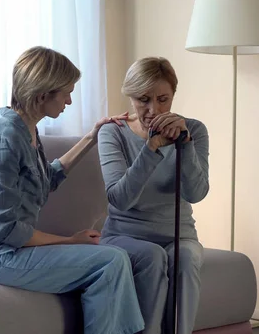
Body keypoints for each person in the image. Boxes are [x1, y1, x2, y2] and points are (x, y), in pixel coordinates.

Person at [0, 46, 145, 334]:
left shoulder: (27, 129)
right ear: (42, 93)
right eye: (66, 92)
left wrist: (91, 137)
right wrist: (70, 241)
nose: (69, 100)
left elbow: (47, 178)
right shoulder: (5, 137)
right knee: (110, 261)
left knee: (114, 258)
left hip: (7, 251)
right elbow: (5, 230)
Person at [97, 56, 209, 334]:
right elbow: (120, 199)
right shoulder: (113, 132)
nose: (153, 109)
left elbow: (196, 193)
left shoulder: (193, 130)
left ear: (172, 95)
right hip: (126, 236)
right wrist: (152, 149)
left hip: (179, 235)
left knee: (185, 258)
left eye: (163, 99)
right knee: (153, 255)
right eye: (143, 99)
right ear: (130, 96)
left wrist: (185, 145)